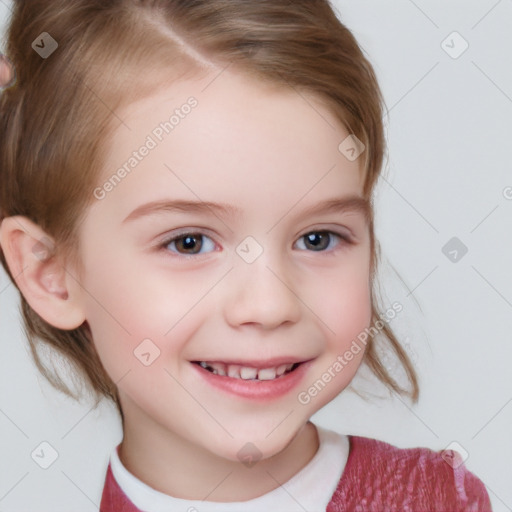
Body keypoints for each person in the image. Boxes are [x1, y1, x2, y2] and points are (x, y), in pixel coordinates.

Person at [0, 1, 492, 510]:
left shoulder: (435, 499)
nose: (269, 304)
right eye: (188, 243)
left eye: (318, 238)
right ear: (50, 274)